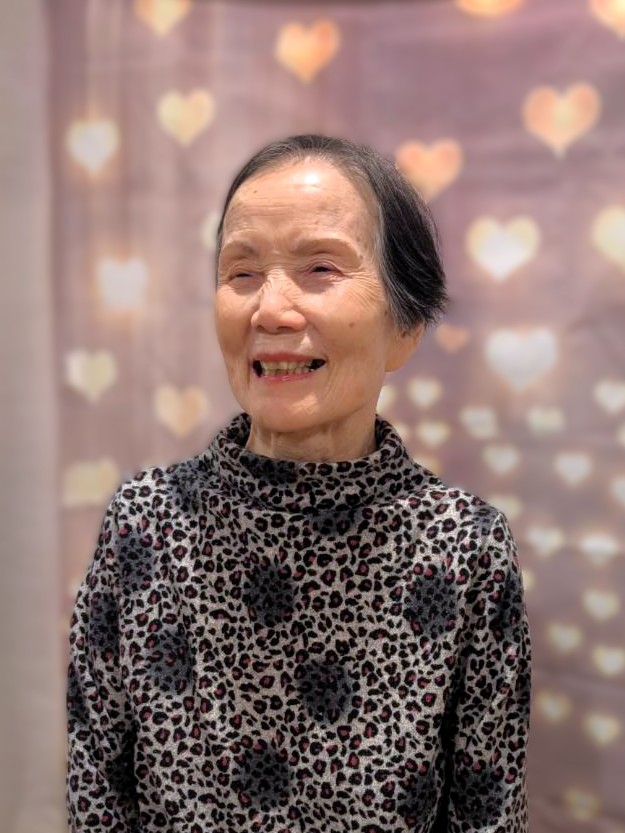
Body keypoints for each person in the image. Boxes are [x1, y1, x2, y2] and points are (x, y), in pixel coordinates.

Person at [67, 134, 531, 833]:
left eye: (319, 268)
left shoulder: (464, 548)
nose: (271, 310)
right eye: (242, 271)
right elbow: (97, 797)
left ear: (405, 325)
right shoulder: (144, 524)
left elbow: (487, 813)